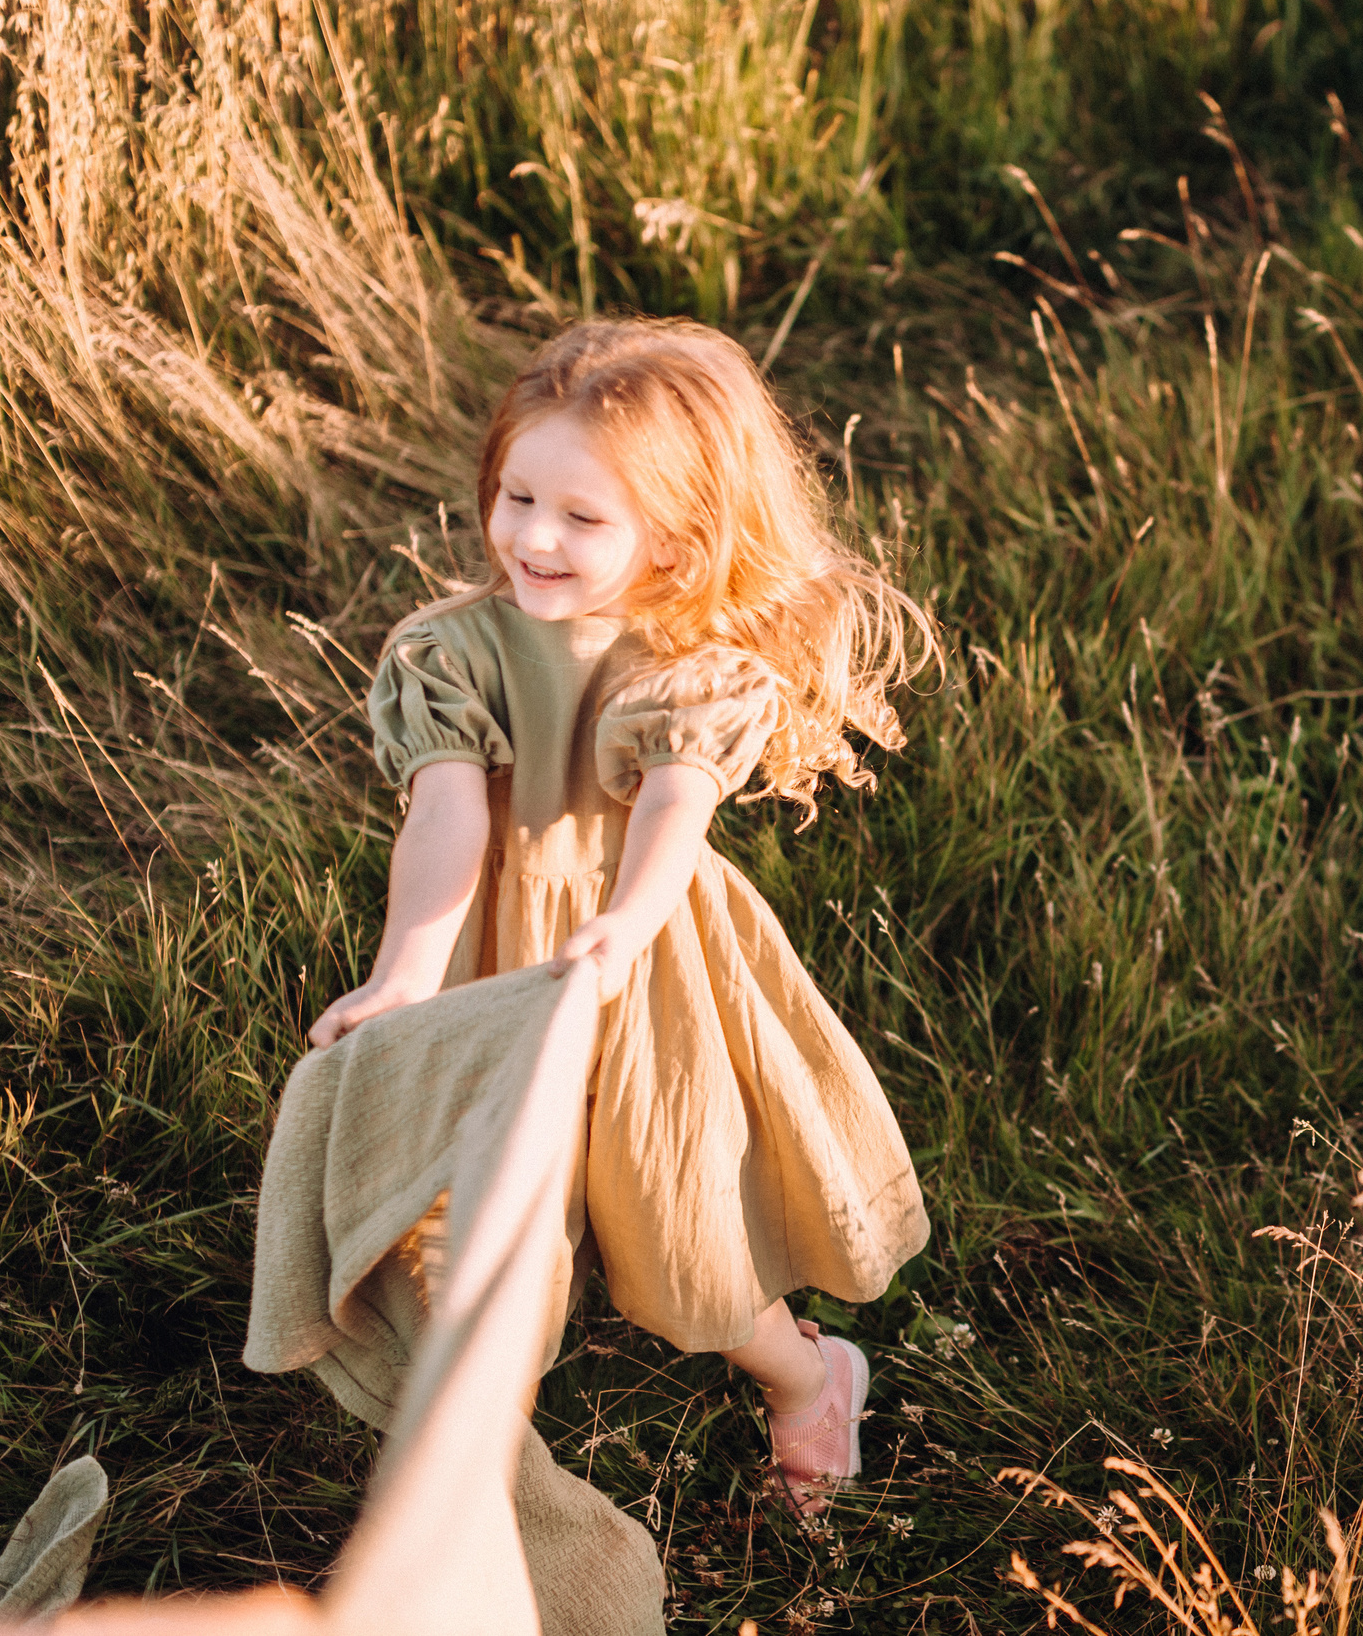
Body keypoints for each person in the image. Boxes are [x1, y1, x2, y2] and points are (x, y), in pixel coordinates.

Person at [305, 317, 936, 1515]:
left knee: (677, 1223)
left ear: (679, 538)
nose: (534, 537)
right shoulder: (451, 651)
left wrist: (624, 928)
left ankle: (809, 1376)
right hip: (490, 949)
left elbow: (671, 812)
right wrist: (403, 976)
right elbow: (447, 822)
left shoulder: (688, 665)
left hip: (644, 962)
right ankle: (478, 1475)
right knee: (471, 1212)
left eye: (582, 519)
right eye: (517, 495)